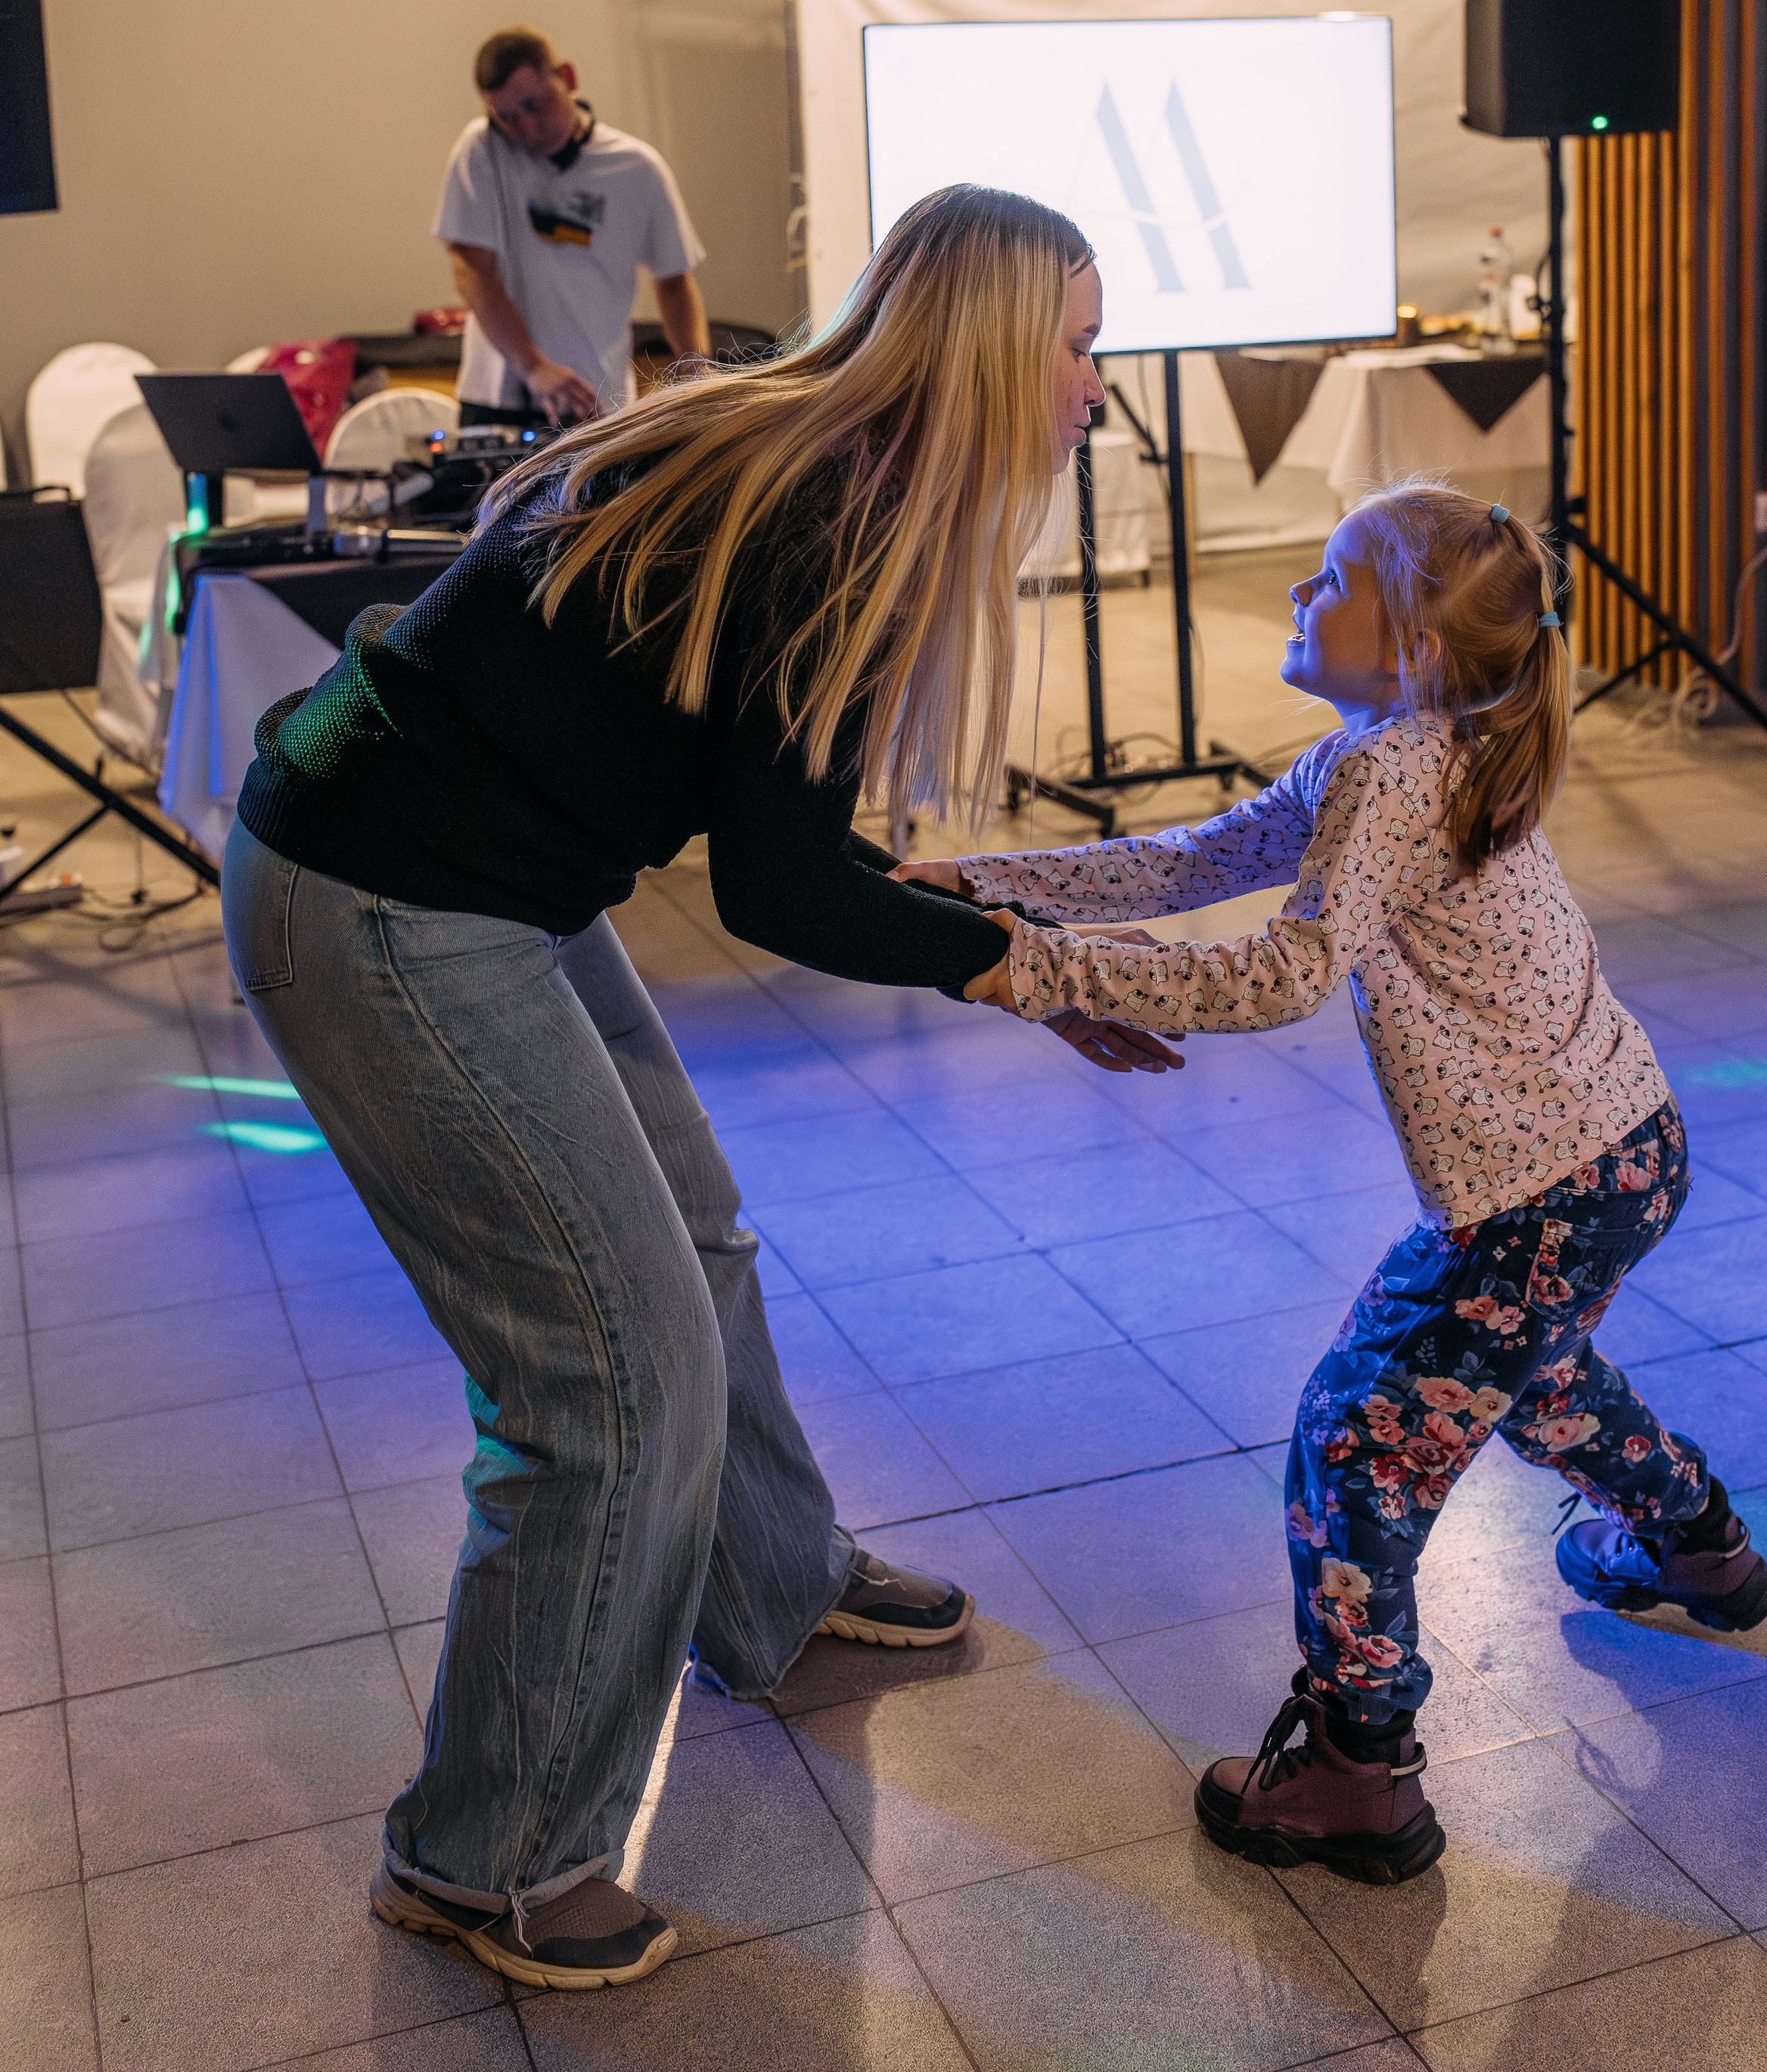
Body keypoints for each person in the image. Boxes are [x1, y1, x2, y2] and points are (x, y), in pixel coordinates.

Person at [221, 185, 1174, 1994]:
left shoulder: (822, 455)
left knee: (698, 1239)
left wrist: (982, 921)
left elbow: (778, 837)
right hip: (389, 895)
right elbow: (781, 894)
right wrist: (1033, 972)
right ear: (981, 350)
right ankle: (480, 1856)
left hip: (477, 869)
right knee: (607, 1380)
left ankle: (770, 1584)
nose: (1088, 388)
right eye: (1075, 345)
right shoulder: (836, 512)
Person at [897, 481, 1767, 1888]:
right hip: (1623, 1150)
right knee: (1523, 1373)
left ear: (1414, 641)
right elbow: (1189, 861)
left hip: (1538, 1193)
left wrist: (1032, 965)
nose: (1301, 599)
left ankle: (1358, 1768)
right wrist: (970, 882)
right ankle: (1698, 1546)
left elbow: (1281, 972)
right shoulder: (1405, 749)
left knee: (1360, 1436)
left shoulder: (1393, 771)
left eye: (1325, 580)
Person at [436, 25, 710, 427]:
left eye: (533, 105)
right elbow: (472, 270)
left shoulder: (638, 170)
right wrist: (533, 366)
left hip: (598, 404)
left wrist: (696, 373)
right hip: (500, 400)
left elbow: (674, 282)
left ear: (567, 77)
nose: (526, 128)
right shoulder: (482, 150)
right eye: (507, 117)